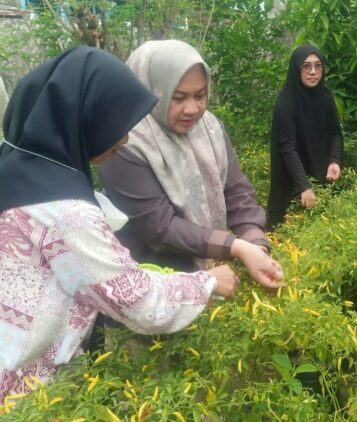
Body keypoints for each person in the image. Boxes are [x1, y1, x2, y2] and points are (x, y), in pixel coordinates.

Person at [0, 47, 240, 403]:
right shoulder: (66, 213)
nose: (125, 139)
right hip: (22, 391)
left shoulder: (19, 169)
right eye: (118, 126)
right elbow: (137, 300)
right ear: (85, 120)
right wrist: (208, 283)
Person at [98, 40, 283, 289]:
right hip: (156, 285)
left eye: (200, 95)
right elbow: (160, 228)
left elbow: (237, 192)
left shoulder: (209, 128)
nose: (192, 109)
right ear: (148, 91)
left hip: (215, 277)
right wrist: (237, 247)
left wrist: (256, 244)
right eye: (178, 97)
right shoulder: (124, 143)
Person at [267, 44, 343, 230]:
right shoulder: (286, 103)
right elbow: (287, 147)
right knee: (287, 234)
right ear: (296, 68)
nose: (313, 72)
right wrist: (304, 186)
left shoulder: (325, 97)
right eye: (306, 66)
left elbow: (335, 132)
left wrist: (335, 160)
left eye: (318, 66)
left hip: (321, 176)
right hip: (292, 181)